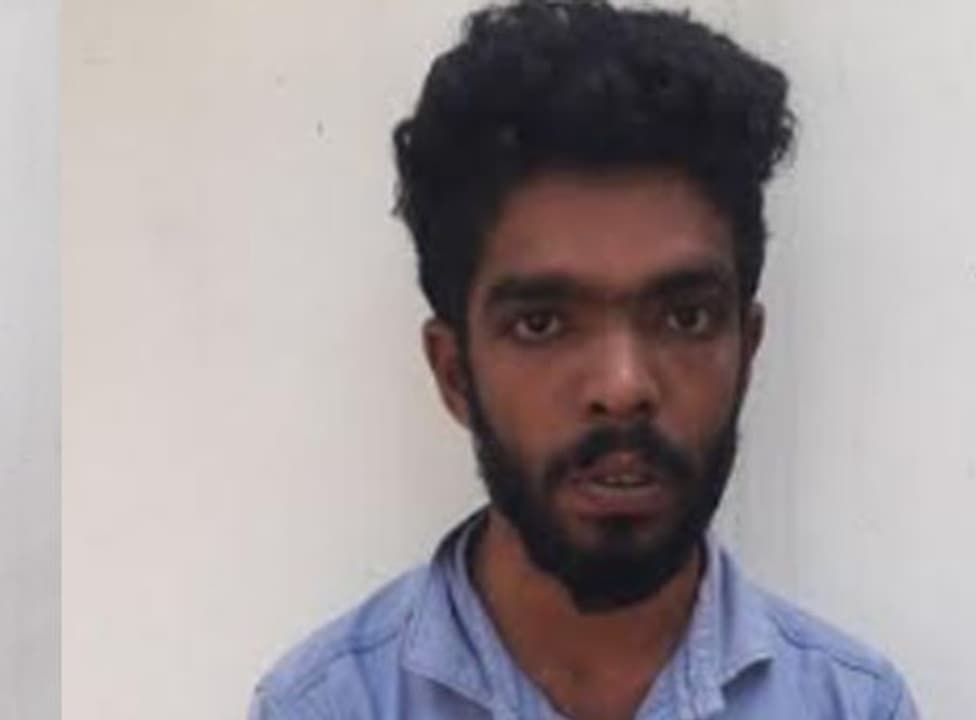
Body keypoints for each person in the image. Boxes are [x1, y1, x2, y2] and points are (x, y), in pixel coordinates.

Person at [250, 1, 918, 717]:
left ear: (747, 352)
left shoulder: (849, 705)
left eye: (685, 317)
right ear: (454, 374)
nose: (623, 386)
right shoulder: (329, 706)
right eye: (542, 324)